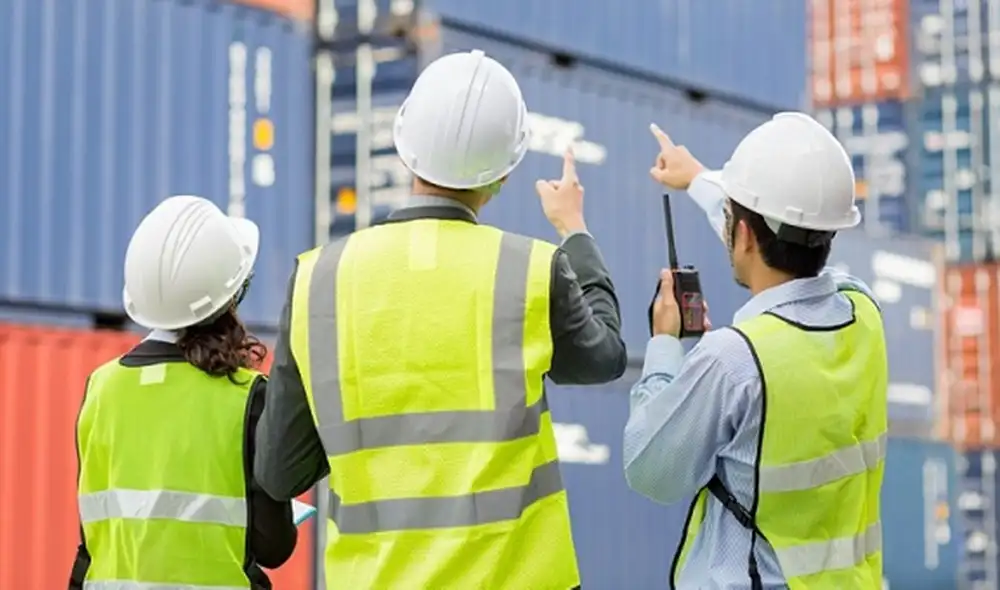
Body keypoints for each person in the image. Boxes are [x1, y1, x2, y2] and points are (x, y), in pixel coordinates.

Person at [254, 49, 628, 589]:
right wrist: (575, 232)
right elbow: (604, 358)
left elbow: (280, 473)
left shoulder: (318, 279)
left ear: (406, 151)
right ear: (503, 174)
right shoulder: (530, 271)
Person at [624, 114, 887, 589]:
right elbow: (790, 230)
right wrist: (701, 181)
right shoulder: (863, 311)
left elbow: (651, 471)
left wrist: (664, 345)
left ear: (742, 234)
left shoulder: (734, 360)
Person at [70, 196, 298, 590]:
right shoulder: (246, 397)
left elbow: (92, 543)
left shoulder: (101, 389)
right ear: (231, 298)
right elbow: (273, 546)